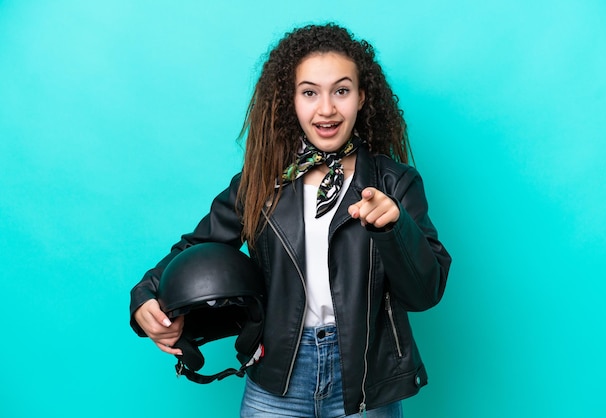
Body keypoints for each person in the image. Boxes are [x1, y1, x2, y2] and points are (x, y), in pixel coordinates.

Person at [130, 23, 451, 417]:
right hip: (278, 372)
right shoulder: (261, 182)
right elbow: (198, 246)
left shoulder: (396, 183)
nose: (327, 108)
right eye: (310, 92)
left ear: (362, 97)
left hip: (365, 379)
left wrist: (394, 228)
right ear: (292, 101)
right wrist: (145, 296)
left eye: (342, 90)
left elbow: (427, 292)